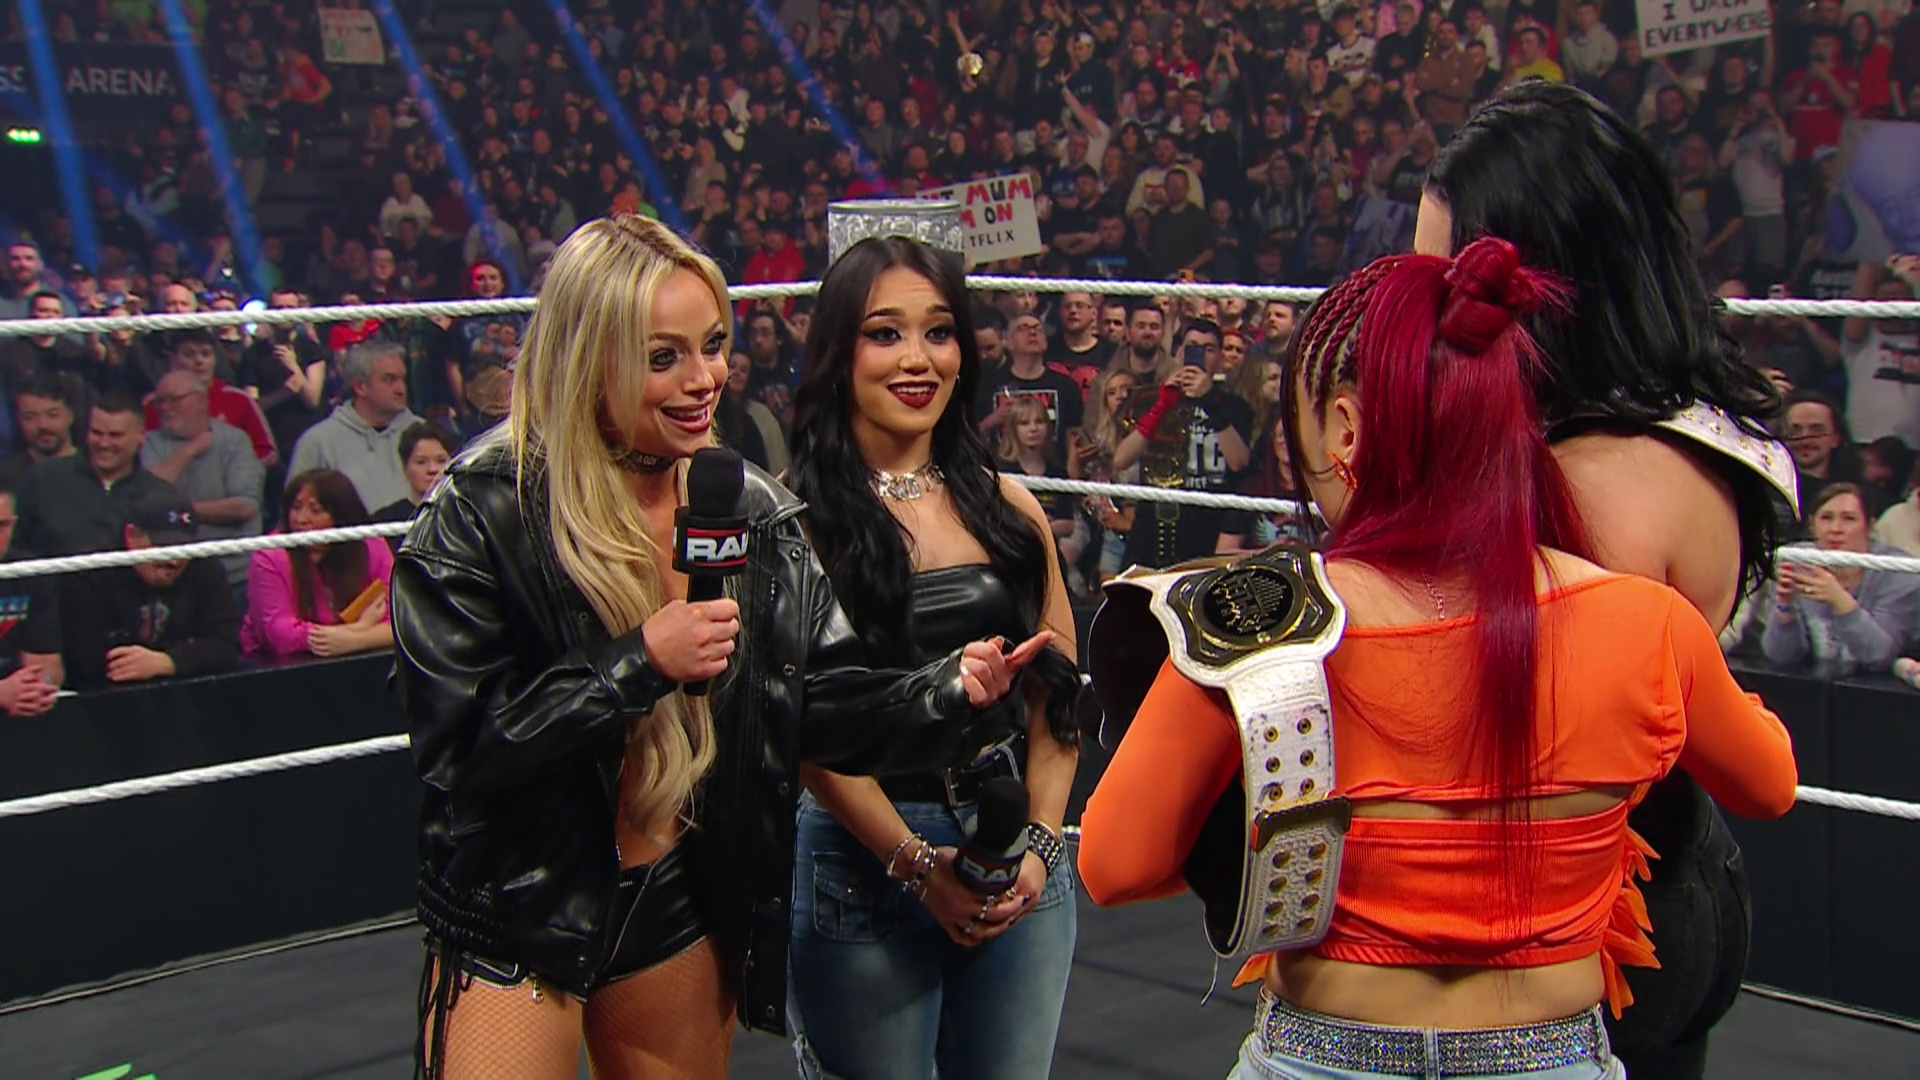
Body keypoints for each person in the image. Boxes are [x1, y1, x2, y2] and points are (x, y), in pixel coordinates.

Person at [1079, 240, 1800, 1080]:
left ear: (1345, 429)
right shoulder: (1651, 624)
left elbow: (1116, 865)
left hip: (1321, 1054)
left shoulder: (1256, 620)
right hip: (1551, 1056)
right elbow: (1770, 785)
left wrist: (1281, 831)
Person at [389, 215, 1048, 1080]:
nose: (703, 379)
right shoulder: (485, 509)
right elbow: (459, 744)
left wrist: (942, 690)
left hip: (678, 891)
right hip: (517, 903)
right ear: (588, 357)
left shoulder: (746, 505)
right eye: (663, 357)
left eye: (712, 346)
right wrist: (638, 662)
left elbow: (819, 704)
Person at [1416, 81, 1799, 1080]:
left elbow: (1515, 732)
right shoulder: (1695, 424)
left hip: (1599, 912)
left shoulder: (1590, 480)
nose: (1434, 316)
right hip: (1683, 868)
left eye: (1450, 282)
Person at [784, 226, 1083, 1080]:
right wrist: (916, 866)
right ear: (839, 353)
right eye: (885, 334)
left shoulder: (1009, 508)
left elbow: (1059, 700)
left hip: (1014, 847)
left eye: (939, 331)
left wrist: (1040, 845)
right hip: (863, 854)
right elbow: (806, 731)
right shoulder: (795, 522)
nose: (917, 359)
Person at [58, 489, 240, 688]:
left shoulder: (205, 567)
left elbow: (228, 647)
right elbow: (88, 662)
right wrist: (190, 651)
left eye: (183, 548)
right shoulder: (91, 571)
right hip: (104, 696)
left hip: (186, 694)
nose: (174, 561)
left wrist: (169, 661)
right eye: (163, 547)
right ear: (131, 536)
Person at [1764, 482, 1920, 674]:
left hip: (1882, 688)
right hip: (1810, 683)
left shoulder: (1898, 572)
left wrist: (1840, 600)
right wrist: (1785, 608)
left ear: (1870, 526)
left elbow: (1879, 657)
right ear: (1812, 525)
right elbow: (1782, 656)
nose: (1836, 529)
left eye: (1849, 519)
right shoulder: (1795, 562)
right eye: (1826, 518)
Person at [240, 469, 395, 660]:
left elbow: (400, 623)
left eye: (316, 510)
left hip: (362, 655)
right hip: (284, 664)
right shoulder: (269, 555)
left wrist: (355, 641)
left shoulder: (371, 544)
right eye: (296, 507)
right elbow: (281, 636)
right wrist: (360, 627)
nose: (301, 519)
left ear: (341, 516)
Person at [286, 340, 424, 513]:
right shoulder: (318, 442)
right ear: (360, 387)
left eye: (402, 379)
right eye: (389, 380)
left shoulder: (425, 435)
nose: (401, 389)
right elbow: (296, 511)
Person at [371, 422, 457, 538]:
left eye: (441, 461)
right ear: (405, 468)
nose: (432, 469)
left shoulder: (467, 515)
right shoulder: (383, 522)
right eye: (421, 462)